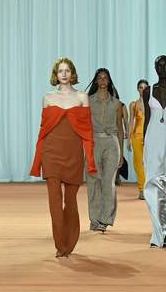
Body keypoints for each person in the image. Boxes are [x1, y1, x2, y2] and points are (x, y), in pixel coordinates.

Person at [30, 58, 96, 257]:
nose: (64, 74)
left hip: (73, 154)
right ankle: (60, 244)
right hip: (51, 152)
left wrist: (90, 159)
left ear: (72, 73)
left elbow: (87, 132)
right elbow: (43, 131)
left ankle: (69, 241)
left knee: (71, 201)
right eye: (60, 71)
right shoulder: (48, 98)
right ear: (56, 75)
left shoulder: (83, 97)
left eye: (67, 70)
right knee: (54, 202)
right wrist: (39, 159)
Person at [85, 69, 124, 232]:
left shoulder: (116, 103)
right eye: (99, 78)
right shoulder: (88, 101)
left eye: (105, 78)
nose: (102, 80)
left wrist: (121, 153)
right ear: (95, 81)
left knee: (108, 183)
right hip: (93, 142)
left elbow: (121, 130)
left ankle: (105, 219)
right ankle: (94, 219)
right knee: (93, 182)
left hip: (111, 143)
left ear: (109, 81)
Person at [143, 55, 166, 247]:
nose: (162, 68)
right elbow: (147, 119)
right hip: (154, 140)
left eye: (165, 65)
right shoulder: (148, 91)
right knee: (153, 185)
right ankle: (158, 235)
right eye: (159, 65)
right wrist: (144, 143)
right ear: (155, 68)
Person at [128, 79, 149, 200]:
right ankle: (142, 189)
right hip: (136, 136)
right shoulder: (133, 104)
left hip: (149, 136)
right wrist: (128, 139)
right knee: (138, 162)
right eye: (140, 87)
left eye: (145, 88)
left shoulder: (152, 104)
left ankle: (148, 188)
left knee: (148, 163)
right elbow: (131, 122)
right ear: (137, 89)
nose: (143, 90)